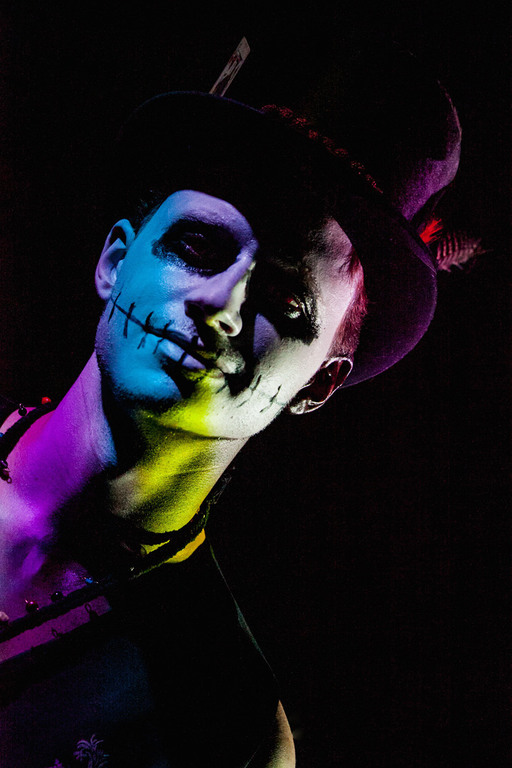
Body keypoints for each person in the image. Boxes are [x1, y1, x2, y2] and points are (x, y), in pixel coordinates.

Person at [0, 42, 462, 768]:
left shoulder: (230, 729)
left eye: (284, 299)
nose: (220, 304)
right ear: (115, 260)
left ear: (319, 384)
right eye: (197, 245)